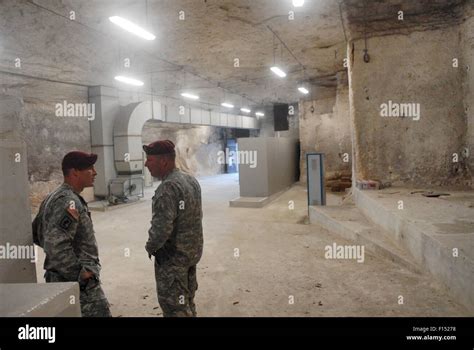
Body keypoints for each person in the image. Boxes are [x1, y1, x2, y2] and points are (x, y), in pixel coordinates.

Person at [32, 151, 111, 317]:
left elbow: (37, 233)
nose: (95, 172)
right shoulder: (69, 201)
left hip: (62, 280)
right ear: (75, 172)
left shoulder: (53, 197)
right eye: (90, 168)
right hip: (78, 285)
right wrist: (80, 274)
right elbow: (55, 245)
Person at [143, 140, 203, 317]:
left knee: (175, 308)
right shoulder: (190, 180)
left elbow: (161, 229)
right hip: (191, 255)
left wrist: (150, 246)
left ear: (163, 161)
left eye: (149, 159)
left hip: (173, 261)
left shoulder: (167, 188)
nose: (146, 164)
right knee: (187, 301)